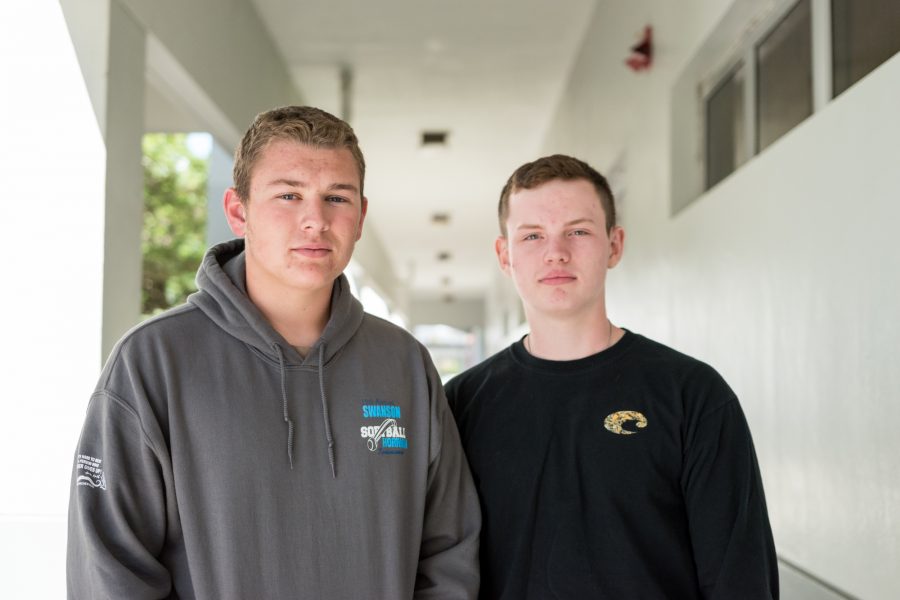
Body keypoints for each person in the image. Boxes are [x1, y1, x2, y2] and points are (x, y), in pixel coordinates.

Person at [67, 106, 480, 599]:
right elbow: (110, 570)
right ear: (238, 211)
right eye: (288, 195)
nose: (316, 220)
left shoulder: (405, 365)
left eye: (336, 198)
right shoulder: (153, 364)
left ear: (361, 217)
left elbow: (449, 553)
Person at [445, 154, 777, 599]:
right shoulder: (462, 404)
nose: (555, 252)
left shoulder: (692, 395)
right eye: (532, 236)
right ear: (505, 255)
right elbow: (441, 567)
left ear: (614, 245)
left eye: (578, 231)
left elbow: (741, 577)